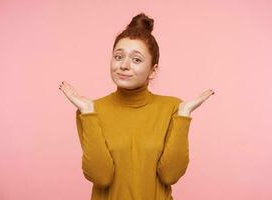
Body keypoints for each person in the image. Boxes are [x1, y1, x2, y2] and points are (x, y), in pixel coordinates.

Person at [59, 12, 215, 200]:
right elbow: (101, 177)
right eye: (118, 57)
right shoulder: (91, 110)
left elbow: (170, 175)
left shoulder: (172, 108)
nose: (124, 65)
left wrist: (184, 115)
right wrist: (88, 113)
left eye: (136, 59)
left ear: (153, 70)